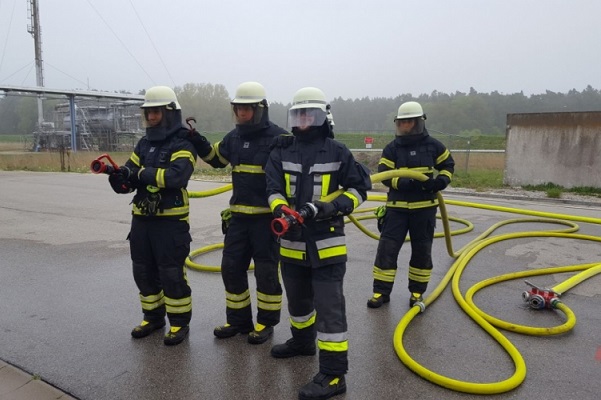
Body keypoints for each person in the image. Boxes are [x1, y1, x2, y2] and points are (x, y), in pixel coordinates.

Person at [265, 87, 372, 400]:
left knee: (329, 310)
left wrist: (329, 207)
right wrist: (281, 209)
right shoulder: (281, 150)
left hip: (327, 245)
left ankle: (335, 374)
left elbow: (358, 190)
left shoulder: (337, 151)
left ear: (323, 117)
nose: (302, 121)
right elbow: (272, 187)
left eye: (308, 115)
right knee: (298, 302)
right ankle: (302, 342)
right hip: (292, 244)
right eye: (297, 115)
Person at [188, 81, 286, 344]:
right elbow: (216, 159)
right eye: (238, 109)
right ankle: (239, 320)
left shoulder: (280, 138)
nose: (241, 114)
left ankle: (265, 323)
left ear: (260, 109)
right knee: (231, 268)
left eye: (246, 109)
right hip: (239, 219)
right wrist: (196, 139)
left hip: (267, 220)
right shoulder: (235, 137)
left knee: (266, 273)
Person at [107, 86, 197, 346]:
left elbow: (175, 176)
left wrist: (142, 174)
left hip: (171, 223)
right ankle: (153, 318)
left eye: (155, 112)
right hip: (142, 222)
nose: (151, 117)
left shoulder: (183, 142)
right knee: (143, 272)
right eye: (148, 112)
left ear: (169, 113)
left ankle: (179, 324)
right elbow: (130, 171)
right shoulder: (144, 143)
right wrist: (119, 178)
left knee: (171, 274)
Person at [367, 101, 455, 309]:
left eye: (408, 122)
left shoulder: (434, 145)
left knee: (422, 251)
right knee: (387, 250)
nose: (404, 126)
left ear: (418, 123)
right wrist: (403, 183)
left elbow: (448, 165)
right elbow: (385, 174)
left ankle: (417, 292)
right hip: (397, 208)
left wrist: (440, 181)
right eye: (402, 122)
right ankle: (380, 292)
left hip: (424, 209)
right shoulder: (392, 148)